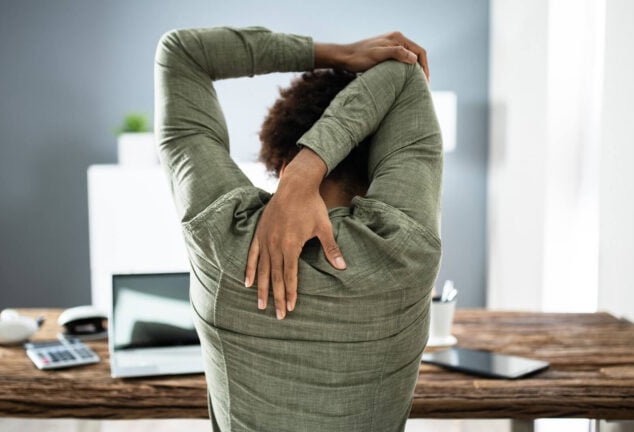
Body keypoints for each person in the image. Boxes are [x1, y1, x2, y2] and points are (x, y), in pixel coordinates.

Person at [155, 26, 442, 432]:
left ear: (280, 164)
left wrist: (339, 53)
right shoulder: (403, 247)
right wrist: (313, 163)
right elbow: (405, 71)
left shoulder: (220, 232)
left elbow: (182, 52)